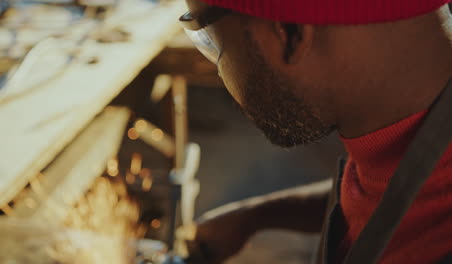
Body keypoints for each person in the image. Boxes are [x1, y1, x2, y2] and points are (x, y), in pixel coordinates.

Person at [179, 0, 452, 263]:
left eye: (211, 40)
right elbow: (383, 193)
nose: (220, 70)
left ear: (290, 30)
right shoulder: (397, 120)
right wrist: (254, 217)